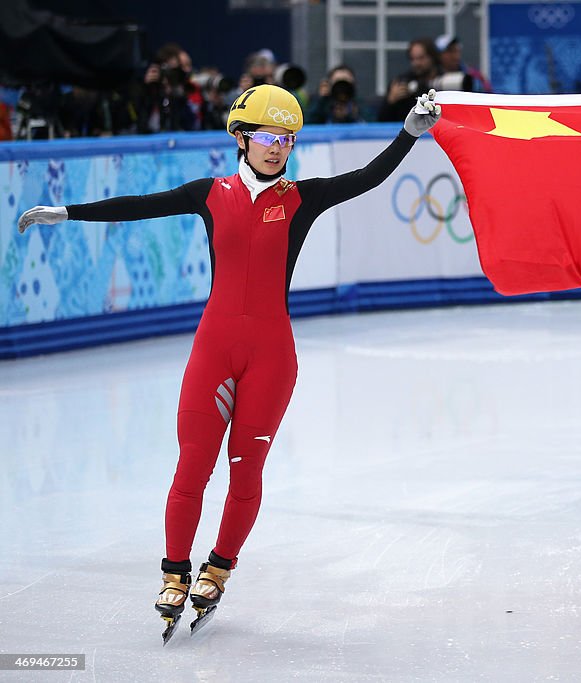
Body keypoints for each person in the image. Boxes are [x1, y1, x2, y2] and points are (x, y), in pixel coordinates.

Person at [17, 83, 441, 642]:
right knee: (193, 464)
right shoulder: (209, 193)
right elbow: (139, 208)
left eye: (287, 138)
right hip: (214, 349)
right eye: (268, 135)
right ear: (241, 137)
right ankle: (174, 573)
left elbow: (365, 180)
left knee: (247, 472)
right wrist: (68, 213)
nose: (278, 147)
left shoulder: (301, 198)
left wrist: (408, 133)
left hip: (272, 357)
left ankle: (219, 566)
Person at [378, 38, 440, 122]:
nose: (416, 63)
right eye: (413, 59)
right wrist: (390, 101)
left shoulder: (444, 79)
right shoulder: (402, 83)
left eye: (421, 58)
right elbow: (382, 120)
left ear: (432, 57)